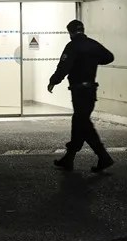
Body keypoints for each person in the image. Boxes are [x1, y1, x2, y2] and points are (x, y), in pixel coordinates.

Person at [47, 19, 115, 173]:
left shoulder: (72, 46)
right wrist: (93, 60)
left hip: (79, 91)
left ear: (70, 32)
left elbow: (63, 66)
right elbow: (109, 57)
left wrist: (53, 81)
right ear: (83, 30)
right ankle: (69, 159)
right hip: (91, 90)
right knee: (79, 121)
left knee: (83, 123)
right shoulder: (93, 44)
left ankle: (103, 157)